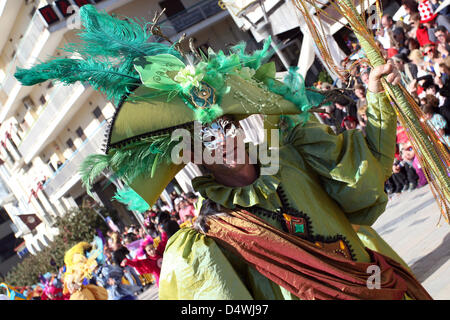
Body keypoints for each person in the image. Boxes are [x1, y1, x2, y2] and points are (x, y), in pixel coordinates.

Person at [16, 5, 432, 300]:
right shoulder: (205, 240)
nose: (223, 139)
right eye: (206, 137)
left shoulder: (293, 152)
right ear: (191, 154)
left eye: (224, 126)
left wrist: (376, 97)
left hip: (378, 287)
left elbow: (362, 179)